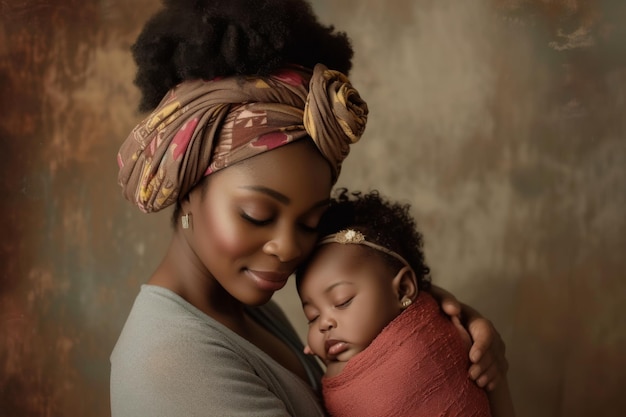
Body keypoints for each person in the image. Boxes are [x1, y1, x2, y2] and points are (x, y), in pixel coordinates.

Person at [110, 0, 508, 416]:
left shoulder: (244, 309)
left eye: (310, 222)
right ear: (189, 185)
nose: (288, 248)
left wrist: (442, 332)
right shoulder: (170, 366)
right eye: (257, 215)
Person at [296, 189, 515, 417]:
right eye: (312, 317)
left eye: (342, 301)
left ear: (402, 289)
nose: (324, 324)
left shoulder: (424, 345)